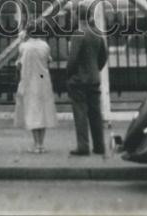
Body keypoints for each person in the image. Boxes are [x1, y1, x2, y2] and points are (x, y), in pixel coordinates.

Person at [67, 11, 108, 157]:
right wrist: (95, 70)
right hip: (94, 79)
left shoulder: (78, 34)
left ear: (77, 17)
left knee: (80, 113)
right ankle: (99, 146)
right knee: (96, 114)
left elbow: (72, 60)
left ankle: (83, 146)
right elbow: (103, 56)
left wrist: (69, 75)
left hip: (79, 81)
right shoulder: (98, 33)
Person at [14, 21, 58, 154]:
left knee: (32, 112)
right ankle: (41, 144)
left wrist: (22, 39)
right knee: (43, 112)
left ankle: (36, 144)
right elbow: (49, 60)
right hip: (43, 81)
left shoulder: (23, 47)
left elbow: (18, 64)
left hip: (29, 81)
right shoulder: (45, 45)